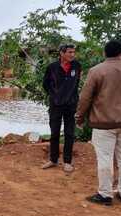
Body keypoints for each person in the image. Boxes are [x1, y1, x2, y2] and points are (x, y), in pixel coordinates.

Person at [76, 40, 121, 206]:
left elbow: (85, 97)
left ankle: (105, 194)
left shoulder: (96, 71)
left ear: (105, 53)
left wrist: (79, 118)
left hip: (104, 123)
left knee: (105, 157)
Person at [42, 44, 82, 173]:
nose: (72, 55)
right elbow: (45, 84)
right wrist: (55, 96)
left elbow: (76, 84)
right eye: (69, 52)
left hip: (71, 105)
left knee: (69, 133)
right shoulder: (52, 67)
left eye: (73, 52)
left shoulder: (76, 66)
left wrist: (72, 97)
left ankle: (67, 162)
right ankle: (53, 159)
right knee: (54, 133)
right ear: (62, 53)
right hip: (56, 105)